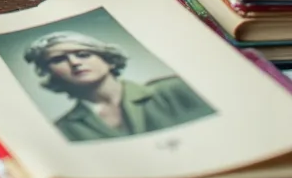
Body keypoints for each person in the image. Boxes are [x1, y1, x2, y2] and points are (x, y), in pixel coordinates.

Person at [23, 31, 215, 142]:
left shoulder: (175, 90)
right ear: (51, 73)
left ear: (109, 61)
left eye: (83, 54)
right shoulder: (63, 130)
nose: (74, 63)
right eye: (58, 59)